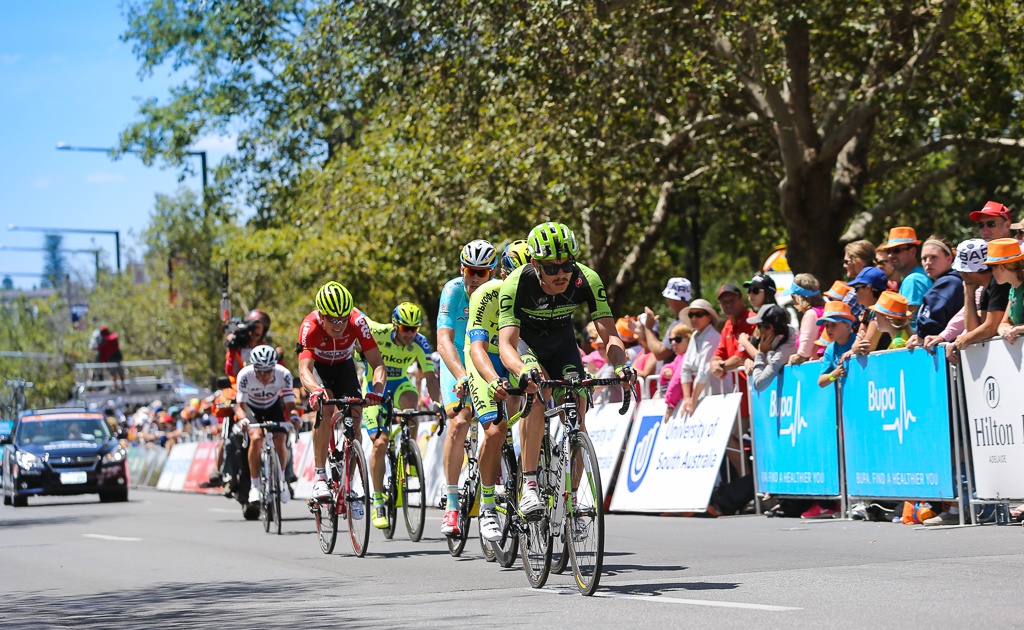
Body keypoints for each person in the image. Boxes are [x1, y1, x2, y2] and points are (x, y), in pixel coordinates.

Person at [497, 222, 633, 517]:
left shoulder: (587, 279)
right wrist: (521, 370)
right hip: (526, 346)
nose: (561, 274)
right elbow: (506, 344)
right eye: (551, 268)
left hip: (562, 346)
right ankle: (529, 485)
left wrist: (622, 365)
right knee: (536, 394)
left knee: (578, 400)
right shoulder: (516, 283)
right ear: (535, 264)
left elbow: (609, 334)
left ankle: (572, 497)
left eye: (568, 265)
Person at [297, 281, 387, 523]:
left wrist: (376, 391)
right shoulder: (310, 325)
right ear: (321, 315)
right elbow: (304, 369)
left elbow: (377, 364)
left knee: (355, 425)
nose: (338, 325)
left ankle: (350, 486)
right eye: (332, 319)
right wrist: (315, 390)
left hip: (345, 368)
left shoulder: (358, 322)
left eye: (343, 319)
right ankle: (319, 477)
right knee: (325, 407)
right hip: (320, 371)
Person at [465, 239, 530, 541]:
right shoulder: (484, 293)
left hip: (515, 354)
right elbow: (476, 347)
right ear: (504, 276)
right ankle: (488, 506)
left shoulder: (541, 294)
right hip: (486, 357)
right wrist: (492, 379)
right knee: (495, 430)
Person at [360, 302, 443, 527]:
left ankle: (408, 452)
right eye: (406, 328)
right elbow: (358, 316)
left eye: (414, 329)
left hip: (399, 385)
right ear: (395, 325)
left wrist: (437, 403)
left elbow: (429, 375)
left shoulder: (420, 343)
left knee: (410, 403)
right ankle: (378, 501)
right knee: (380, 443)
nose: (410, 334)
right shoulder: (378, 331)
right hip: (374, 386)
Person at [437, 239, 498, 535]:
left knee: (499, 424)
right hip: (456, 362)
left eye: (482, 273)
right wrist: (461, 375)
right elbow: (444, 341)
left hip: (483, 358)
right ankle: (451, 504)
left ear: (492, 272)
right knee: (460, 421)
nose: (474, 278)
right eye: (470, 271)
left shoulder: (496, 293)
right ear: (462, 268)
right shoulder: (453, 290)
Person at [807, 301, 856, 520]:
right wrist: (835, 374)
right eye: (825, 325)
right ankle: (846, 501)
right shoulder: (830, 349)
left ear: (847, 325)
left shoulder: (857, 341)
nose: (828, 329)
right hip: (844, 408)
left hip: (863, 405)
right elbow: (821, 380)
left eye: (832, 324)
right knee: (845, 452)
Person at [235, 345, 300, 506]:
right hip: (252, 408)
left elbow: (290, 405)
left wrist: (294, 416)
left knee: (280, 438)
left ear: (274, 367)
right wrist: (243, 419)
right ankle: (255, 486)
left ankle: (282, 480)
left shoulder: (283, 374)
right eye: (260, 371)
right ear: (253, 368)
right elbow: (239, 407)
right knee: (256, 438)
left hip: (272, 407)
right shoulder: (244, 375)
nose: (265, 375)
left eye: (268, 371)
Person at [877, 227, 932, 332]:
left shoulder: (913, 280)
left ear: (912, 252)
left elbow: (904, 323)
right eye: (889, 251)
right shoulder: (917, 275)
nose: (890, 255)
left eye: (896, 250)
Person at [909, 236, 963, 342]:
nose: (928, 262)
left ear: (949, 258)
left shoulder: (948, 283)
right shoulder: (954, 281)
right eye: (924, 258)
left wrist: (921, 336)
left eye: (934, 257)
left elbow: (930, 323)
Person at [747, 305, 798, 392]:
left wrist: (761, 354)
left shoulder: (784, 351)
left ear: (770, 328)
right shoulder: (788, 331)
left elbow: (759, 384)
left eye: (759, 325)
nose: (757, 329)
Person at [987, 238, 1024, 342]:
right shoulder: (1013, 289)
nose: (991, 273)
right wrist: (1004, 331)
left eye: (991, 268)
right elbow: (1004, 323)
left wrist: (1018, 329)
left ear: (1001, 267)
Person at [785, 274, 825, 365]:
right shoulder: (825, 309)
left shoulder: (811, 314)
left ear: (799, 297)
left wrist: (793, 359)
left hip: (815, 368)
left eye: (793, 296)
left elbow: (804, 354)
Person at [225, 309, 273, 381]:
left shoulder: (266, 350)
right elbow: (231, 371)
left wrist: (279, 358)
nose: (256, 331)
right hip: (239, 388)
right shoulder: (238, 348)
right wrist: (232, 349)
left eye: (259, 328)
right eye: (254, 327)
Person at [660, 322, 694, 420]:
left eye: (678, 339)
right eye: (671, 340)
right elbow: (672, 366)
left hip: (687, 405)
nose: (673, 343)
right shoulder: (680, 357)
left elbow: (678, 380)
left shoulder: (686, 357)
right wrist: (665, 370)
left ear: (688, 339)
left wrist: (670, 403)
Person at [843, 240, 876, 319]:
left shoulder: (854, 295)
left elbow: (835, 325)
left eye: (846, 261)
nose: (844, 265)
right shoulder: (883, 285)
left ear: (858, 263)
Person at [96, 326, 125, 391]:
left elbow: (100, 348)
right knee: (120, 372)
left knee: (114, 373)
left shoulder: (105, 339)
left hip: (112, 357)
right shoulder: (113, 336)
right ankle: (122, 386)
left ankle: (115, 386)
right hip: (118, 356)